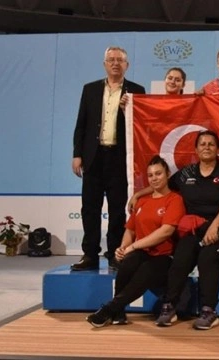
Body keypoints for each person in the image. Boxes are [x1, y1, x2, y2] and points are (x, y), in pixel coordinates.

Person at [152, 130, 219, 330]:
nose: (206, 147)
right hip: (193, 230)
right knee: (181, 258)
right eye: (202, 144)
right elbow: (164, 186)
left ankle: (209, 311)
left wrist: (215, 226)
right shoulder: (186, 173)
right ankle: (169, 306)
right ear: (196, 149)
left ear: (218, 149)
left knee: (207, 258)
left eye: (211, 144)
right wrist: (139, 195)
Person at [86, 156, 185, 327]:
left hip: (164, 256)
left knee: (146, 270)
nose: (154, 178)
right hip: (141, 252)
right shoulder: (142, 201)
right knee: (127, 263)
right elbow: (130, 230)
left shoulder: (175, 199)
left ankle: (109, 310)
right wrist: (123, 248)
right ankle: (119, 313)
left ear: (168, 174)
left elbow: (165, 232)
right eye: (150, 175)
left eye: (158, 173)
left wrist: (133, 246)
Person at [71, 46, 146, 271]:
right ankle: (89, 255)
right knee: (90, 208)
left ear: (127, 65)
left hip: (119, 158)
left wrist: (127, 110)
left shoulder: (136, 90)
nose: (115, 63)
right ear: (104, 64)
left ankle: (115, 253)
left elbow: (142, 124)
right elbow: (81, 124)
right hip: (93, 157)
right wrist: (77, 154)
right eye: (111, 60)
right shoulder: (90, 89)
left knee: (117, 209)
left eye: (119, 60)